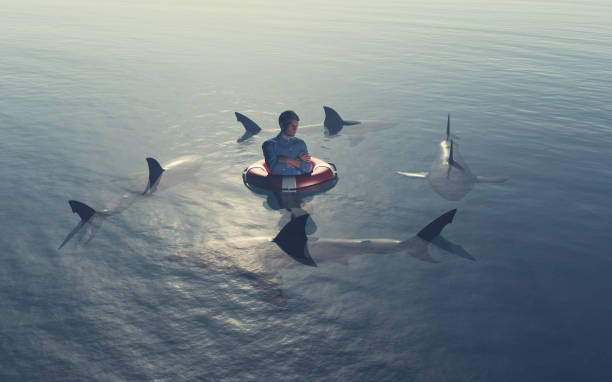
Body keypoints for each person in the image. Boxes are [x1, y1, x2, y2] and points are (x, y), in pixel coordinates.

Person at [262, 110, 313, 175]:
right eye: (292, 126)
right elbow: (274, 169)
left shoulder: (301, 143)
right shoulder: (269, 145)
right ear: (282, 125)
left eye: (296, 126)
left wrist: (285, 159)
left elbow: (307, 168)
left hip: (301, 183)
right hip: (277, 183)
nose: (295, 129)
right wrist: (298, 160)